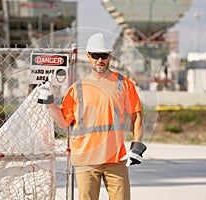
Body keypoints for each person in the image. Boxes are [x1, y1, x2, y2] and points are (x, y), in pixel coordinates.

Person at [38, 32, 147, 200]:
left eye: (103, 56)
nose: (99, 60)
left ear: (110, 57)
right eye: (95, 56)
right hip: (86, 160)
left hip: (115, 160)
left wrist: (137, 145)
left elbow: (136, 115)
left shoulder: (123, 84)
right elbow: (62, 122)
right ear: (88, 56)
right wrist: (50, 103)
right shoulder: (78, 88)